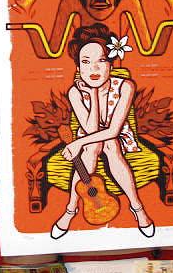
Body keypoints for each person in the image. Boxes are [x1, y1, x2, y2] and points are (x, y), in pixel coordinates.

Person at [51, 23, 154, 239]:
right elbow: (90, 130)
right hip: (89, 140)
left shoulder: (125, 86)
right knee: (94, 144)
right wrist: (94, 95)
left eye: (101, 60)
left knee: (109, 143)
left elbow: (114, 130)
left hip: (119, 137)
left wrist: (77, 143)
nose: (94, 69)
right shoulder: (75, 92)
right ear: (78, 68)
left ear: (111, 64)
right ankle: (71, 209)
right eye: (86, 62)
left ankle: (136, 207)